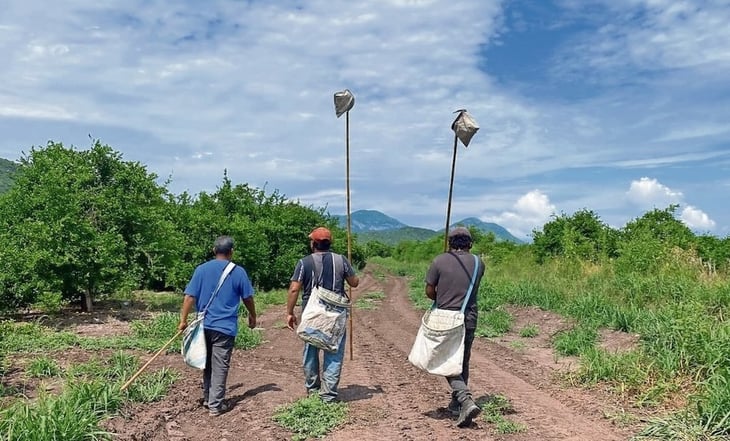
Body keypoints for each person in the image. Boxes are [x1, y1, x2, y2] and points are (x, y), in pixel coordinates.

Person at [178, 235, 256, 416]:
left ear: (214, 251)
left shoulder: (201, 269)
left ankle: (208, 398)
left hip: (203, 325)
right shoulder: (238, 272)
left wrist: (183, 320)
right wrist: (252, 315)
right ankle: (215, 405)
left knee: (207, 363)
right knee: (220, 365)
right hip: (225, 327)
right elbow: (248, 298)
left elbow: (189, 296)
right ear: (232, 252)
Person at [286, 226, 359, 403]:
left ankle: (312, 390)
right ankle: (328, 395)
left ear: (313, 243)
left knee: (311, 350)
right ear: (329, 243)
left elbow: (295, 288)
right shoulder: (341, 260)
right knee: (334, 351)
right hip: (336, 315)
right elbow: (354, 283)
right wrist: (349, 270)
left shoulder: (305, 262)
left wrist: (289, 313)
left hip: (311, 314)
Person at [425, 227, 486, 428]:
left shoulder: (438, 261)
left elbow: (429, 291)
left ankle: (465, 400)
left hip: (445, 318)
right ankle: (456, 403)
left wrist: (441, 296)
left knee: (446, 359)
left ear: (450, 243)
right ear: (470, 244)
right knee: (462, 361)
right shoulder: (479, 263)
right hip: (468, 317)